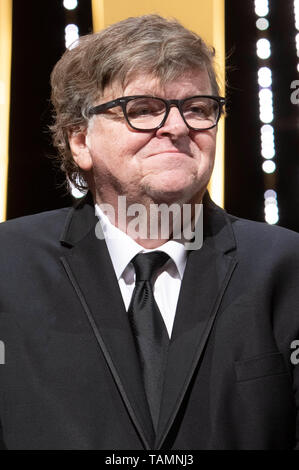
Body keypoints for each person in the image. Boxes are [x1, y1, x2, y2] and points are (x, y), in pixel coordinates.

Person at [0, 14, 298, 451]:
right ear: (80, 140)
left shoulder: (287, 266)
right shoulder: (8, 264)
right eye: (142, 110)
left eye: (197, 109)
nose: (177, 128)